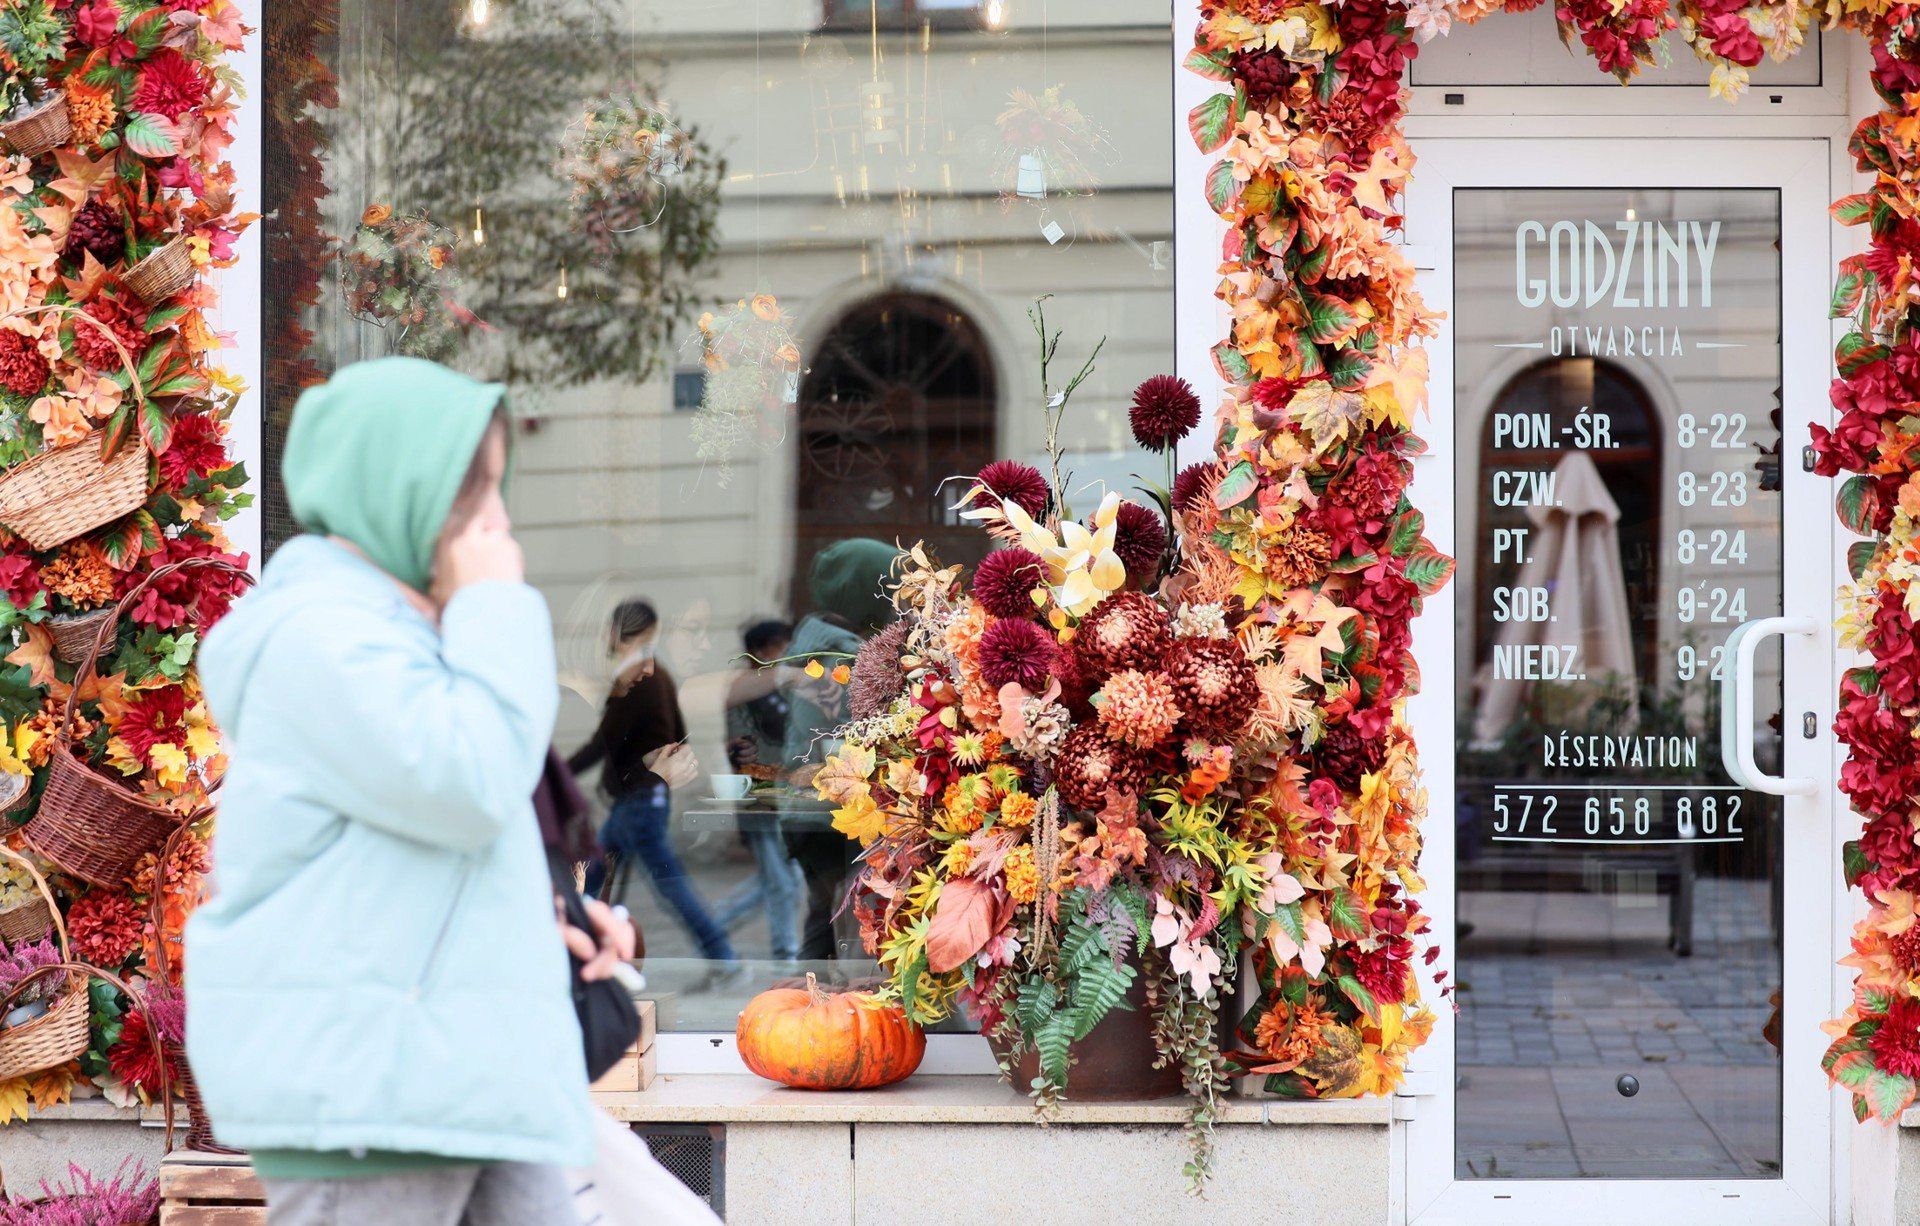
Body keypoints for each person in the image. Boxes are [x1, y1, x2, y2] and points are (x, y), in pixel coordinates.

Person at [186, 357, 630, 1224]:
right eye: (474, 495)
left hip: (458, 1076)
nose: (499, 523)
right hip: (375, 1088)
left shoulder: (401, 637)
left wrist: (549, 921)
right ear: (398, 491)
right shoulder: (319, 640)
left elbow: (435, 848)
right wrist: (499, 604)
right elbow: (464, 784)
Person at [570, 601, 738, 974]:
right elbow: (674, 731)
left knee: (666, 883)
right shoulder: (656, 674)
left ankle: (723, 956)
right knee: (597, 873)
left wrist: (559, 773)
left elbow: (603, 743)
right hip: (640, 798)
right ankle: (580, 946)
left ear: (614, 634)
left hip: (639, 800)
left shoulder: (637, 678)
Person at [780, 539, 899, 963]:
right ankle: (816, 998)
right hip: (828, 811)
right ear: (866, 592)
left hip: (806, 808)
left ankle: (808, 993)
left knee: (822, 913)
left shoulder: (813, 636)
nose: (894, 602)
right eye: (887, 588)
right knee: (842, 916)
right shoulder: (842, 652)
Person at [714, 619, 802, 963]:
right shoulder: (746, 688)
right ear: (762, 652)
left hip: (777, 791)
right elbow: (744, 746)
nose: (789, 654)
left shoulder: (772, 689)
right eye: (782, 647)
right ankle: (787, 952)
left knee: (783, 877)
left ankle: (712, 923)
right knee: (783, 880)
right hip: (757, 792)